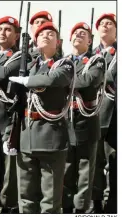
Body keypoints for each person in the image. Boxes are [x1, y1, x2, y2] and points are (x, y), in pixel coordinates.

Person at [8, 22, 74, 213]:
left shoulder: (65, 64)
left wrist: (27, 81)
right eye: (41, 33)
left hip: (50, 138)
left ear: (59, 42)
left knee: (50, 201)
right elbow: (16, 103)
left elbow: (53, 79)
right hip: (26, 136)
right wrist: (8, 135)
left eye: (51, 34)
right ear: (35, 41)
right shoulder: (27, 66)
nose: (46, 35)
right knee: (26, 198)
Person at [62, 22, 106, 214]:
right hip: (65, 122)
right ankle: (67, 206)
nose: (78, 35)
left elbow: (89, 81)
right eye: (75, 33)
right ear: (70, 39)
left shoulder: (97, 60)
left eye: (84, 34)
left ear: (90, 41)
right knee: (66, 169)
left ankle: (81, 210)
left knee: (85, 172)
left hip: (85, 123)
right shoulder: (62, 61)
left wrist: (60, 81)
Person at [0, 15, 20, 213]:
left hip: (7, 117)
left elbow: (3, 73)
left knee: (8, 169)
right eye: (0, 28)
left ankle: (6, 206)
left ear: (16, 36)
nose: (3, 32)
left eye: (8, 29)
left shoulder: (19, 56)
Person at [91, 13, 116, 213]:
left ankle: (113, 204)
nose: (105, 26)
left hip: (114, 119)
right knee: (95, 164)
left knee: (114, 165)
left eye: (110, 23)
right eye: (102, 24)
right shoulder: (91, 54)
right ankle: (97, 203)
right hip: (93, 117)